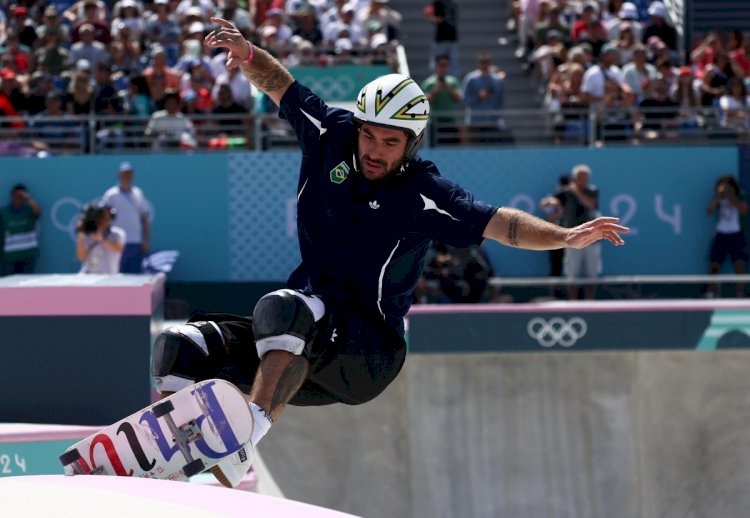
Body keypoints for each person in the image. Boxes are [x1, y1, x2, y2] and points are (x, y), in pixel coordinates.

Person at [148, 17, 629, 488]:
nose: (375, 151)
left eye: (390, 143)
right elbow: (280, 83)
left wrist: (565, 237)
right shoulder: (328, 134)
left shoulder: (425, 192)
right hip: (304, 345)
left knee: (283, 307)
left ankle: (245, 439)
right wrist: (249, 54)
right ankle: (165, 460)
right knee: (182, 344)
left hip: (367, 352)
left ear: (411, 144)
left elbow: (504, 224)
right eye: (369, 136)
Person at [540, 164, 601, 299]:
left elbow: (591, 204)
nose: (584, 181)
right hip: (572, 238)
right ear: (575, 178)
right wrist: (550, 203)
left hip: (592, 239)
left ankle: (590, 303)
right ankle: (573, 304)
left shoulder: (592, 190)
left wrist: (575, 191)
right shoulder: (567, 192)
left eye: (586, 178)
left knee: (592, 275)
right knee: (572, 275)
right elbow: (548, 202)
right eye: (580, 178)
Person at [100, 162, 152, 273]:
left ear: (133, 175)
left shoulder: (138, 193)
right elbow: (102, 217)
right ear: (119, 175)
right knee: (117, 275)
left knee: (134, 276)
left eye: (129, 174)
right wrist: (104, 238)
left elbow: (145, 219)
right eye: (124, 174)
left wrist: (146, 240)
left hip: (135, 242)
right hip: (116, 242)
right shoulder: (111, 195)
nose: (127, 176)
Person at [706, 175, 749, 298]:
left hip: (736, 234)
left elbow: (744, 210)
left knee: (739, 265)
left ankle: (740, 293)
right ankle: (711, 291)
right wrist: (718, 196)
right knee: (714, 264)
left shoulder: (739, 196)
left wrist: (731, 196)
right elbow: (709, 211)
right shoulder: (718, 198)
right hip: (721, 234)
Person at [0, 184, 42, 275]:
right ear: (11, 196)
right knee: (9, 286)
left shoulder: (30, 211)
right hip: (10, 257)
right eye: (16, 196)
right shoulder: (3, 213)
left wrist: (29, 198)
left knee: (26, 286)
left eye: (21, 196)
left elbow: (38, 211)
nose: (18, 198)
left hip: (28, 256)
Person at [76, 204, 125, 274]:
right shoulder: (86, 235)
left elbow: (118, 249)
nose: (104, 221)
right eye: (101, 218)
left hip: (109, 277)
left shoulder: (117, 233)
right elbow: (81, 257)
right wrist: (80, 233)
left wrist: (101, 239)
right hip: (89, 276)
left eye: (107, 218)